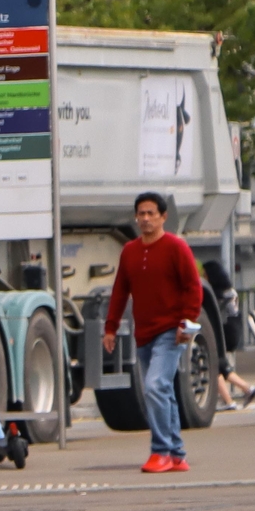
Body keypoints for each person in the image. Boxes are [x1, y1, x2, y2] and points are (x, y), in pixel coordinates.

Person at [102, 190, 203, 474]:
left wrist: (187, 323)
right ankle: (177, 454)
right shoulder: (130, 251)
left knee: (155, 386)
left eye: (151, 214)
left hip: (171, 332)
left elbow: (193, 288)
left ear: (163, 217)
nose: (145, 219)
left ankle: (160, 451)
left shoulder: (176, 247)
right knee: (164, 392)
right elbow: (120, 291)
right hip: (143, 333)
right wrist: (110, 328)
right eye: (141, 214)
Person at [199, 255, 255, 411]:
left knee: (215, 363)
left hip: (224, 330)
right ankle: (229, 399)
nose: (204, 277)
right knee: (216, 364)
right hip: (233, 329)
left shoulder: (217, 293)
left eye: (205, 274)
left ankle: (245, 388)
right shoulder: (229, 290)